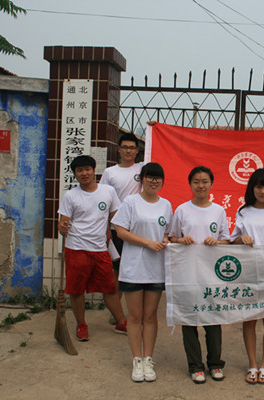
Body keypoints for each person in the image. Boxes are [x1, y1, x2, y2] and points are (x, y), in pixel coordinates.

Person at [111, 162, 172, 382]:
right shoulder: (131, 202)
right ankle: (137, 359)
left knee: (150, 316)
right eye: (150, 177)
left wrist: (165, 240)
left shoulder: (166, 205)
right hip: (134, 268)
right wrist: (148, 243)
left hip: (156, 269)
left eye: (158, 178)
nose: (154, 181)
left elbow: (167, 232)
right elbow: (120, 231)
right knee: (135, 316)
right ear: (142, 179)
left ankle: (148, 359)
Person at [169, 166, 230, 384]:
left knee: (213, 318)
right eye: (196, 181)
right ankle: (195, 366)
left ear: (211, 184)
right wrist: (181, 240)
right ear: (190, 184)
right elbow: (172, 237)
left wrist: (217, 241)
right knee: (189, 319)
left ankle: (215, 363)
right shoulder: (182, 210)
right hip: (187, 273)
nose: (201, 186)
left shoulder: (218, 211)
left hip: (211, 275)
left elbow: (227, 240)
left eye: (205, 181)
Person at [57, 155, 128, 342]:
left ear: (94, 170)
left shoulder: (108, 191)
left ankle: (121, 322)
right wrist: (62, 227)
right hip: (76, 248)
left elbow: (116, 216)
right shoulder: (70, 196)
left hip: (100, 249)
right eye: (79, 170)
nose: (84, 173)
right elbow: (63, 222)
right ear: (75, 174)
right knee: (76, 290)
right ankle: (81, 325)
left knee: (109, 288)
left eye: (87, 169)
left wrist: (122, 233)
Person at [230, 168, 264, 385]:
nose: (263, 191)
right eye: (259, 186)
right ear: (252, 189)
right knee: (249, 320)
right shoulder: (244, 212)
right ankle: (252, 364)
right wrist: (241, 238)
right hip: (248, 273)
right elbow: (232, 240)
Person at [100, 133, 144, 323]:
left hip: (138, 230)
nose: (128, 151)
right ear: (118, 149)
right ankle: (116, 313)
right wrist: (106, 229)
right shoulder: (110, 173)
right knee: (117, 272)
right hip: (117, 229)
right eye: (124, 147)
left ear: (137, 150)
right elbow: (103, 201)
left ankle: (137, 312)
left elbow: (161, 150)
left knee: (137, 271)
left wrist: (153, 129)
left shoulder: (142, 168)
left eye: (131, 148)